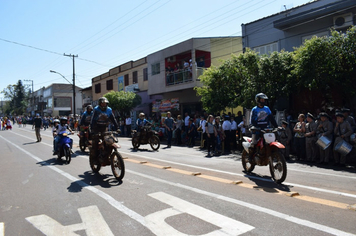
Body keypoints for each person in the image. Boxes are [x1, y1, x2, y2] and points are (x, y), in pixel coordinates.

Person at [90, 97, 119, 162]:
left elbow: (113, 119)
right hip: (96, 127)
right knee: (95, 141)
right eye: (102, 104)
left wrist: (117, 128)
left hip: (104, 127)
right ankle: (94, 158)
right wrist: (92, 129)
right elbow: (92, 120)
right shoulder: (96, 109)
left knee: (108, 141)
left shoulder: (109, 110)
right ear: (100, 104)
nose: (104, 105)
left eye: (105, 104)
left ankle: (106, 154)